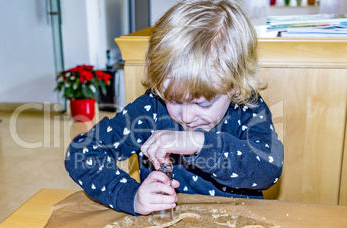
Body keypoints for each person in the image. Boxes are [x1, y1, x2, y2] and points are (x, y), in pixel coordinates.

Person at [65, 0, 283, 216]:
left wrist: (199, 143)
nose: (186, 117)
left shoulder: (248, 108)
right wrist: (131, 196)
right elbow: (81, 153)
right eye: (174, 100)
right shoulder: (151, 107)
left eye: (202, 103)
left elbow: (268, 169)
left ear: (235, 87)